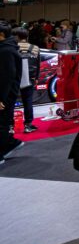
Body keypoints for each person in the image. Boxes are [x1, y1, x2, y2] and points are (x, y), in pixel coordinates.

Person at [0, 22, 25, 163]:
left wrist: (1, 98)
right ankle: (11, 143)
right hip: (7, 94)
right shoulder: (7, 48)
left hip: (5, 95)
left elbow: (6, 77)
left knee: (2, 123)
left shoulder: (6, 51)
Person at [12, 27, 40, 134]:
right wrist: (36, 78)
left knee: (11, 102)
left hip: (14, 78)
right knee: (28, 101)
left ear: (16, 36)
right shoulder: (35, 48)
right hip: (30, 78)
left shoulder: (12, 47)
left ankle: (10, 126)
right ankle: (28, 125)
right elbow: (38, 64)